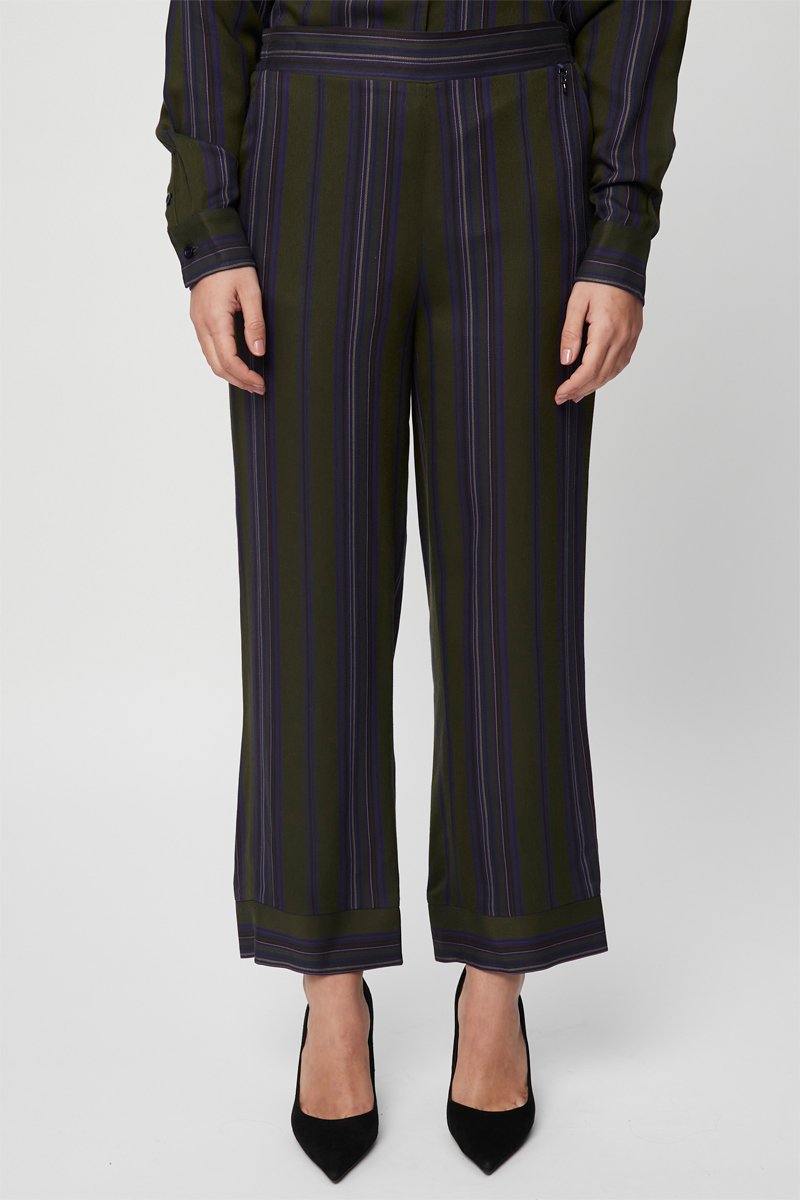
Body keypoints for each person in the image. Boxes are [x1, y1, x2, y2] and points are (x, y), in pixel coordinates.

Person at [155, 0, 690, 1182]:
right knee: (307, 608)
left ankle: (495, 987)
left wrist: (617, 234)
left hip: (520, 138)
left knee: (515, 608)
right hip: (308, 142)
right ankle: (328, 988)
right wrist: (210, 225)